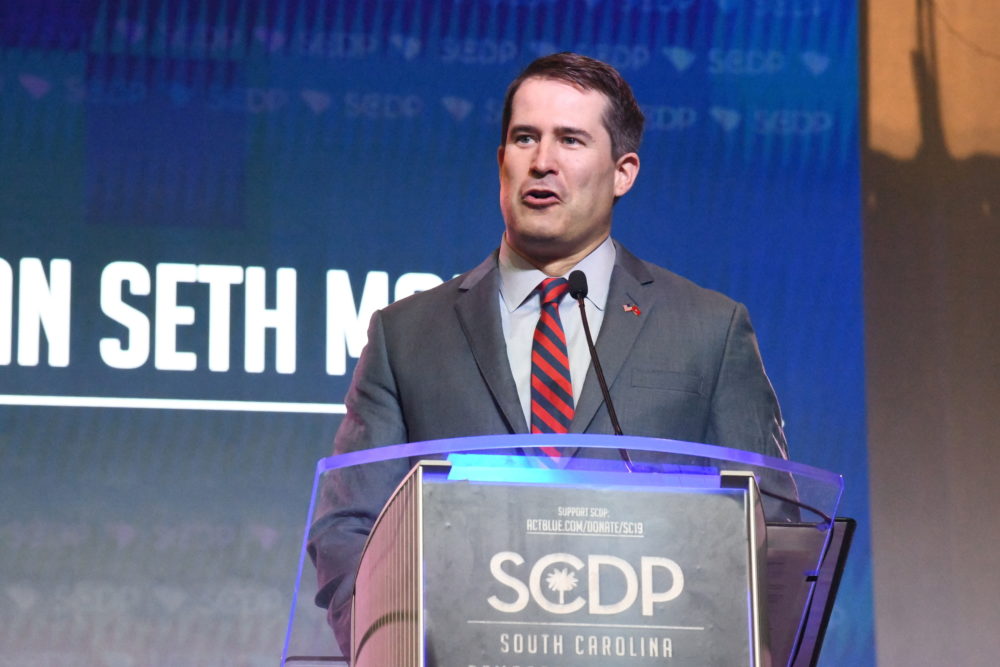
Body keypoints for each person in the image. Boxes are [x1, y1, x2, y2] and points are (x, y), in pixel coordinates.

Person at [307, 52, 788, 655]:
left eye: (571, 140)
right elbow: (348, 527)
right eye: (525, 138)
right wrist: (390, 648)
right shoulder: (406, 336)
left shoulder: (710, 330)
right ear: (501, 160)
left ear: (623, 171)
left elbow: (772, 525)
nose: (542, 162)